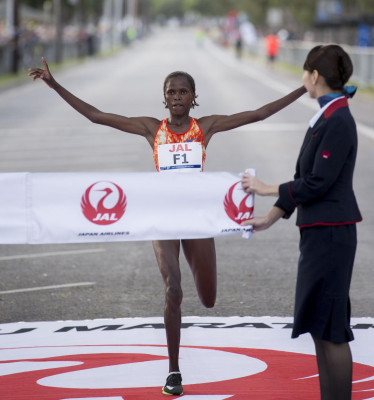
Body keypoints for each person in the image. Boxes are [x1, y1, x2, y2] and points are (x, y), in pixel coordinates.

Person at [28, 58, 305, 396]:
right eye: (171, 92)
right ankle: (174, 370)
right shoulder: (151, 129)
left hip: (197, 218)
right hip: (163, 217)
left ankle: (189, 327)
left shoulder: (205, 127)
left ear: (193, 97)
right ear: (164, 98)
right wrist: (54, 84)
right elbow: (96, 116)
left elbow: (259, 114)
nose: (177, 97)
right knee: (173, 289)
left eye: (183, 92)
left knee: (208, 299)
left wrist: (304, 88)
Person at [241, 44, 361, 400]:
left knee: (332, 328)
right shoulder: (328, 115)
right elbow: (305, 178)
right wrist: (270, 217)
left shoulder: (338, 119)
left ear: (314, 76)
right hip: (319, 232)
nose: (303, 79)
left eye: (305, 73)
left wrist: (266, 189)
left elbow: (318, 183)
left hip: (332, 234)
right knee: (320, 326)